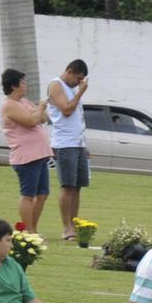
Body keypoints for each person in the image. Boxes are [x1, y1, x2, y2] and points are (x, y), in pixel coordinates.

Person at [0, 69, 51, 234]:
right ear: (14, 86)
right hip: (25, 157)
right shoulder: (9, 106)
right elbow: (31, 121)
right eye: (23, 82)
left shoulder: (25, 102)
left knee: (42, 194)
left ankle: (33, 229)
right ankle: (28, 231)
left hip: (40, 154)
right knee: (28, 195)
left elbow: (43, 119)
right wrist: (40, 108)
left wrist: (38, 110)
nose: (26, 85)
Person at [45, 59, 90, 241]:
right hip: (65, 144)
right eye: (78, 78)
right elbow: (66, 110)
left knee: (77, 187)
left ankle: (74, 223)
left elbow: (77, 119)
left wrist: (84, 144)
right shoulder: (56, 85)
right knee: (68, 186)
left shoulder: (72, 89)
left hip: (78, 143)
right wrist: (80, 93)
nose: (78, 83)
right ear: (69, 71)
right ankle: (66, 228)